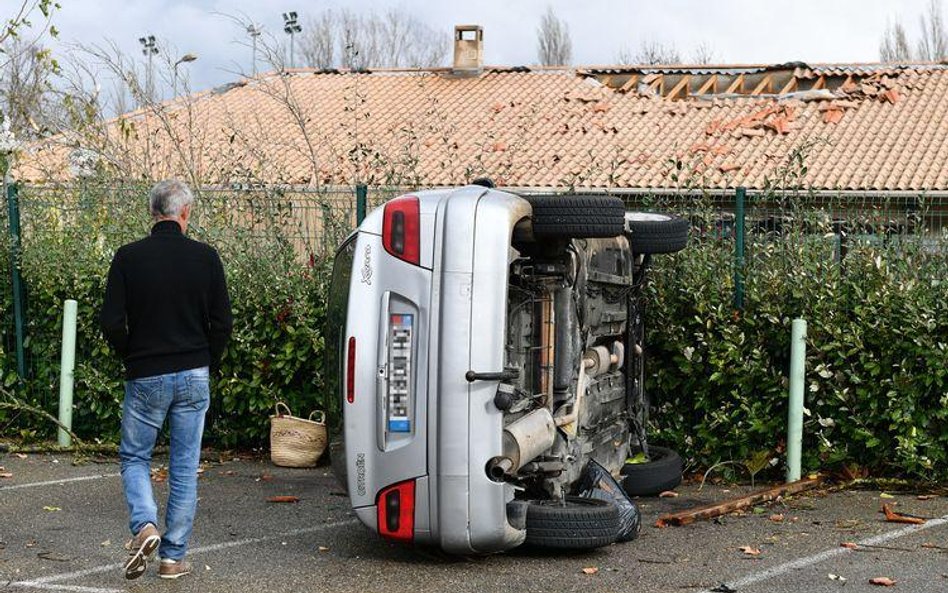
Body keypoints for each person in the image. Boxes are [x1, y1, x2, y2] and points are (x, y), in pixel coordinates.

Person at [100, 179, 232, 580]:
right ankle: (173, 559)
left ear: (152, 212)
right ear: (185, 213)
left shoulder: (127, 258)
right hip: (194, 373)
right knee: (184, 464)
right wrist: (205, 359)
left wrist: (132, 354)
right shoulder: (206, 258)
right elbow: (222, 323)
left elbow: (111, 322)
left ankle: (145, 525)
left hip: (146, 374)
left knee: (136, 456)